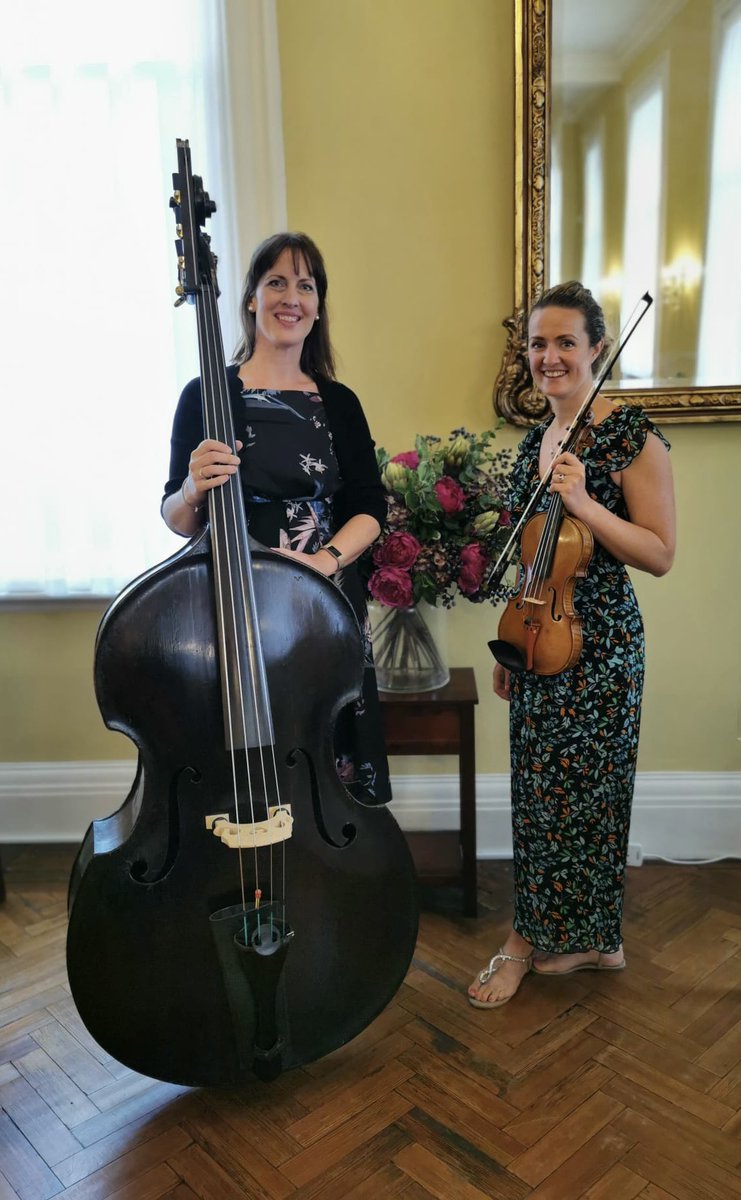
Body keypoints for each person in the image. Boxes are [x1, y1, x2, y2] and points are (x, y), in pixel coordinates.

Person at [469, 280, 676, 1008]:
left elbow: (657, 552)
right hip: (538, 634)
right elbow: (536, 551)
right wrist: (513, 638)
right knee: (536, 792)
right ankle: (590, 943)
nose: (548, 357)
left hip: (604, 645)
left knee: (591, 794)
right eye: (536, 344)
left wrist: (585, 500)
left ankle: (534, 941)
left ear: (595, 349)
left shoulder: (633, 435)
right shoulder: (537, 439)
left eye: (564, 342)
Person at [161, 231, 391, 804]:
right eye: (277, 282)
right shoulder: (207, 394)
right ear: (251, 299)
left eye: (306, 286)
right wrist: (193, 486)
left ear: (318, 308)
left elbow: (369, 506)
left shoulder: (339, 402)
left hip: (322, 603)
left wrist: (322, 561)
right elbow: (176, 517)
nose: (293, 297)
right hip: (231, 607)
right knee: (233, 752)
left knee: (324, 755)